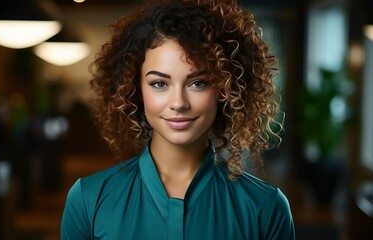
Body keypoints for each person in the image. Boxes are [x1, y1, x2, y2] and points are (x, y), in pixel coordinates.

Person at [61, 0, 295, 239]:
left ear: (226, 89)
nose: (179, 103)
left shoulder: (266, 208)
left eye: (198, 83)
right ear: (134, 90)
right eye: (159, 84)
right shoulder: (88, 200)